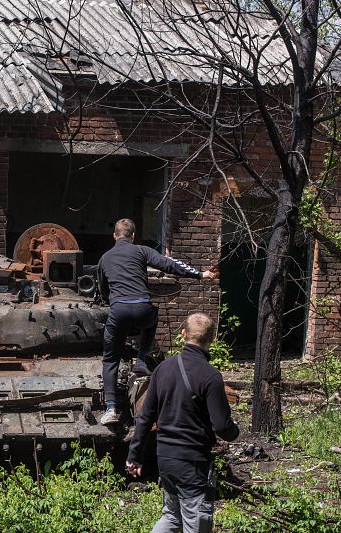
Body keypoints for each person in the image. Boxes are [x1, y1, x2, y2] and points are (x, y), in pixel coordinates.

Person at [126, 312, 239, 533]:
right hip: (192, 463)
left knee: (172, 516)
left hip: (165, 458)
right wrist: (236, 433)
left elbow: (145, 416)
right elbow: (223, 427)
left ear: (183, 334)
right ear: (212, 339)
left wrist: (134, 455)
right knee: (196, 521)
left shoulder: (163, 369)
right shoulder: (210, 376)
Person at [98, 218, 214, 425]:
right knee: (152, 318)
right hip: (143, 308)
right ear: (133, 236)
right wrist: (199, 274)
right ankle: (141, 360)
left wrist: (115, 302)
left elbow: (103, 290)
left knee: (110, 359)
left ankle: (110, 409)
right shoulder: (142, 251)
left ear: (114, 236)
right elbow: (169, 264)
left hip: (119, 311)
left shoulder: (105, 258)